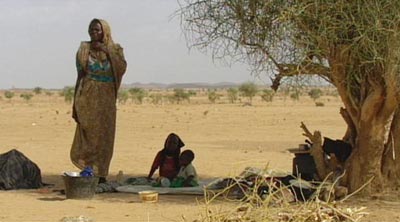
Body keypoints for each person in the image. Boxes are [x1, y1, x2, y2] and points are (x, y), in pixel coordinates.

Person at [70, 18, 127, 183]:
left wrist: (107, 50)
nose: (93, 33)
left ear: (105, 31)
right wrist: (75, 102)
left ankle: (101, 173)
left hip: (107, 99)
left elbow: (121, 68)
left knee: (105, 136)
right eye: (91, 30)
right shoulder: (84, 49)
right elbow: (80, 75)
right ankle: (88, 169)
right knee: (88, 133)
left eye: (97, 30)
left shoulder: (116, 50)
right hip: (87, 96)